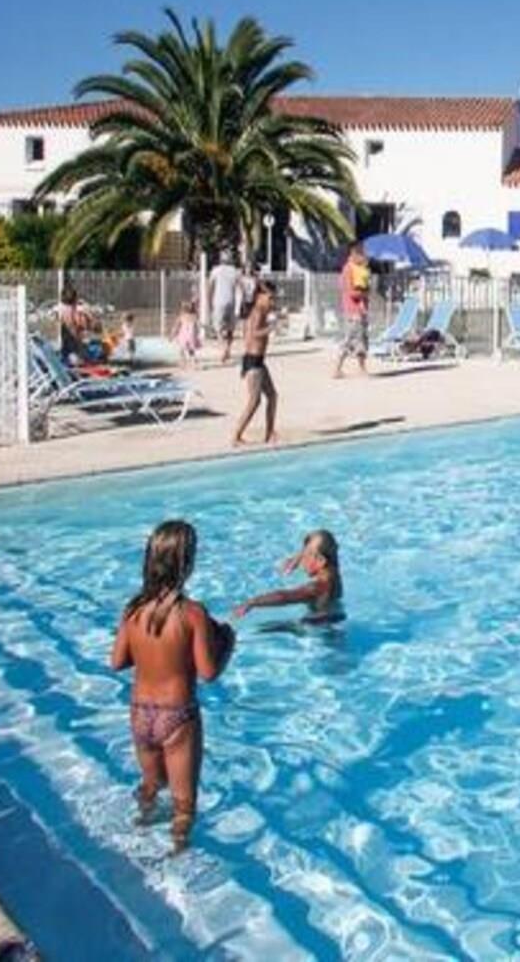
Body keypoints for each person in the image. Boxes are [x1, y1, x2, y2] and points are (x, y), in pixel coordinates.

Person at [109, 520, 233, 852]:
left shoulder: (133, 610)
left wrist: (148, 651)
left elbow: (117, 662)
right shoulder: (192, 613)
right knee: (183, 803)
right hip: (177, 716)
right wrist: (227, 644)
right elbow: (208, 672)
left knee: (151, 784)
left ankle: (138, 827)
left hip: (140, 713)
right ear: (187, 564)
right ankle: (177, 857)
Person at [233, 530, 344, 622]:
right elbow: (328, 548)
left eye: (306, 555)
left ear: (320, 560)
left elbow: (284, 596)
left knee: (261, 630)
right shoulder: (333, 570)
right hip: (333, 617)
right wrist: (297, 558)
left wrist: (252, 602)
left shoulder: (319, 586)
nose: (302, 560)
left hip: (320, 632)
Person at [232, 280, 279, 446]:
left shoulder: (262, 311)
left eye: (273, 298)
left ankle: (269, 433)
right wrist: (271, 328)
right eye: (270, 298)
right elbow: (253, 333)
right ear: (260, 296)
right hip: (253, 361)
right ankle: (236, 435)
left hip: (259, 361)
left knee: (272, 396)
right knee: (254, 401)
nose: (272, 302)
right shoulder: (258, 311)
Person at [333, 249, 372, 379]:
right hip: (354, 311)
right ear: (355, 255)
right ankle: (337, 369)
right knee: (350, 340)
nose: (365, 259)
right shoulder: (349, 270)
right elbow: (352, 293)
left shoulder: (356, 269)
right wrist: (365, 293)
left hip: (357, 311)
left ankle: (361, 368)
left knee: (361, 340)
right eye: (363, 256)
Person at [207, 254, 241, 363]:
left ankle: (223, 348)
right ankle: (228, 349)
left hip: (218, 302)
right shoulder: (234, 271)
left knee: (218, 328)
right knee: (230, 329)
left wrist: (209, 302)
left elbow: (210, 287)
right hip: (231, 301)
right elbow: (240, 287)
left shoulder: (215, 271)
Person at [56, 285, 87, 364]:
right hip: (72, 343)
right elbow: (75, 324)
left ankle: (74, 358)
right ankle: (77, 359)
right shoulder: (72, 310)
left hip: (67, 343)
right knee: (77, 356)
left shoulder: (62, 309)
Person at [172, 298, 202, 369]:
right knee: (191, 351)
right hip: (192, 336)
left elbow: (176, 327)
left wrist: (172, 335)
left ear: (183, 309)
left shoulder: (181, 317)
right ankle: (194, 362)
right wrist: (197, 334)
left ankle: (183, 362)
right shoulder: (194, 317)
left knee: (181, 350)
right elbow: (198, 326)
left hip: (184, 337)